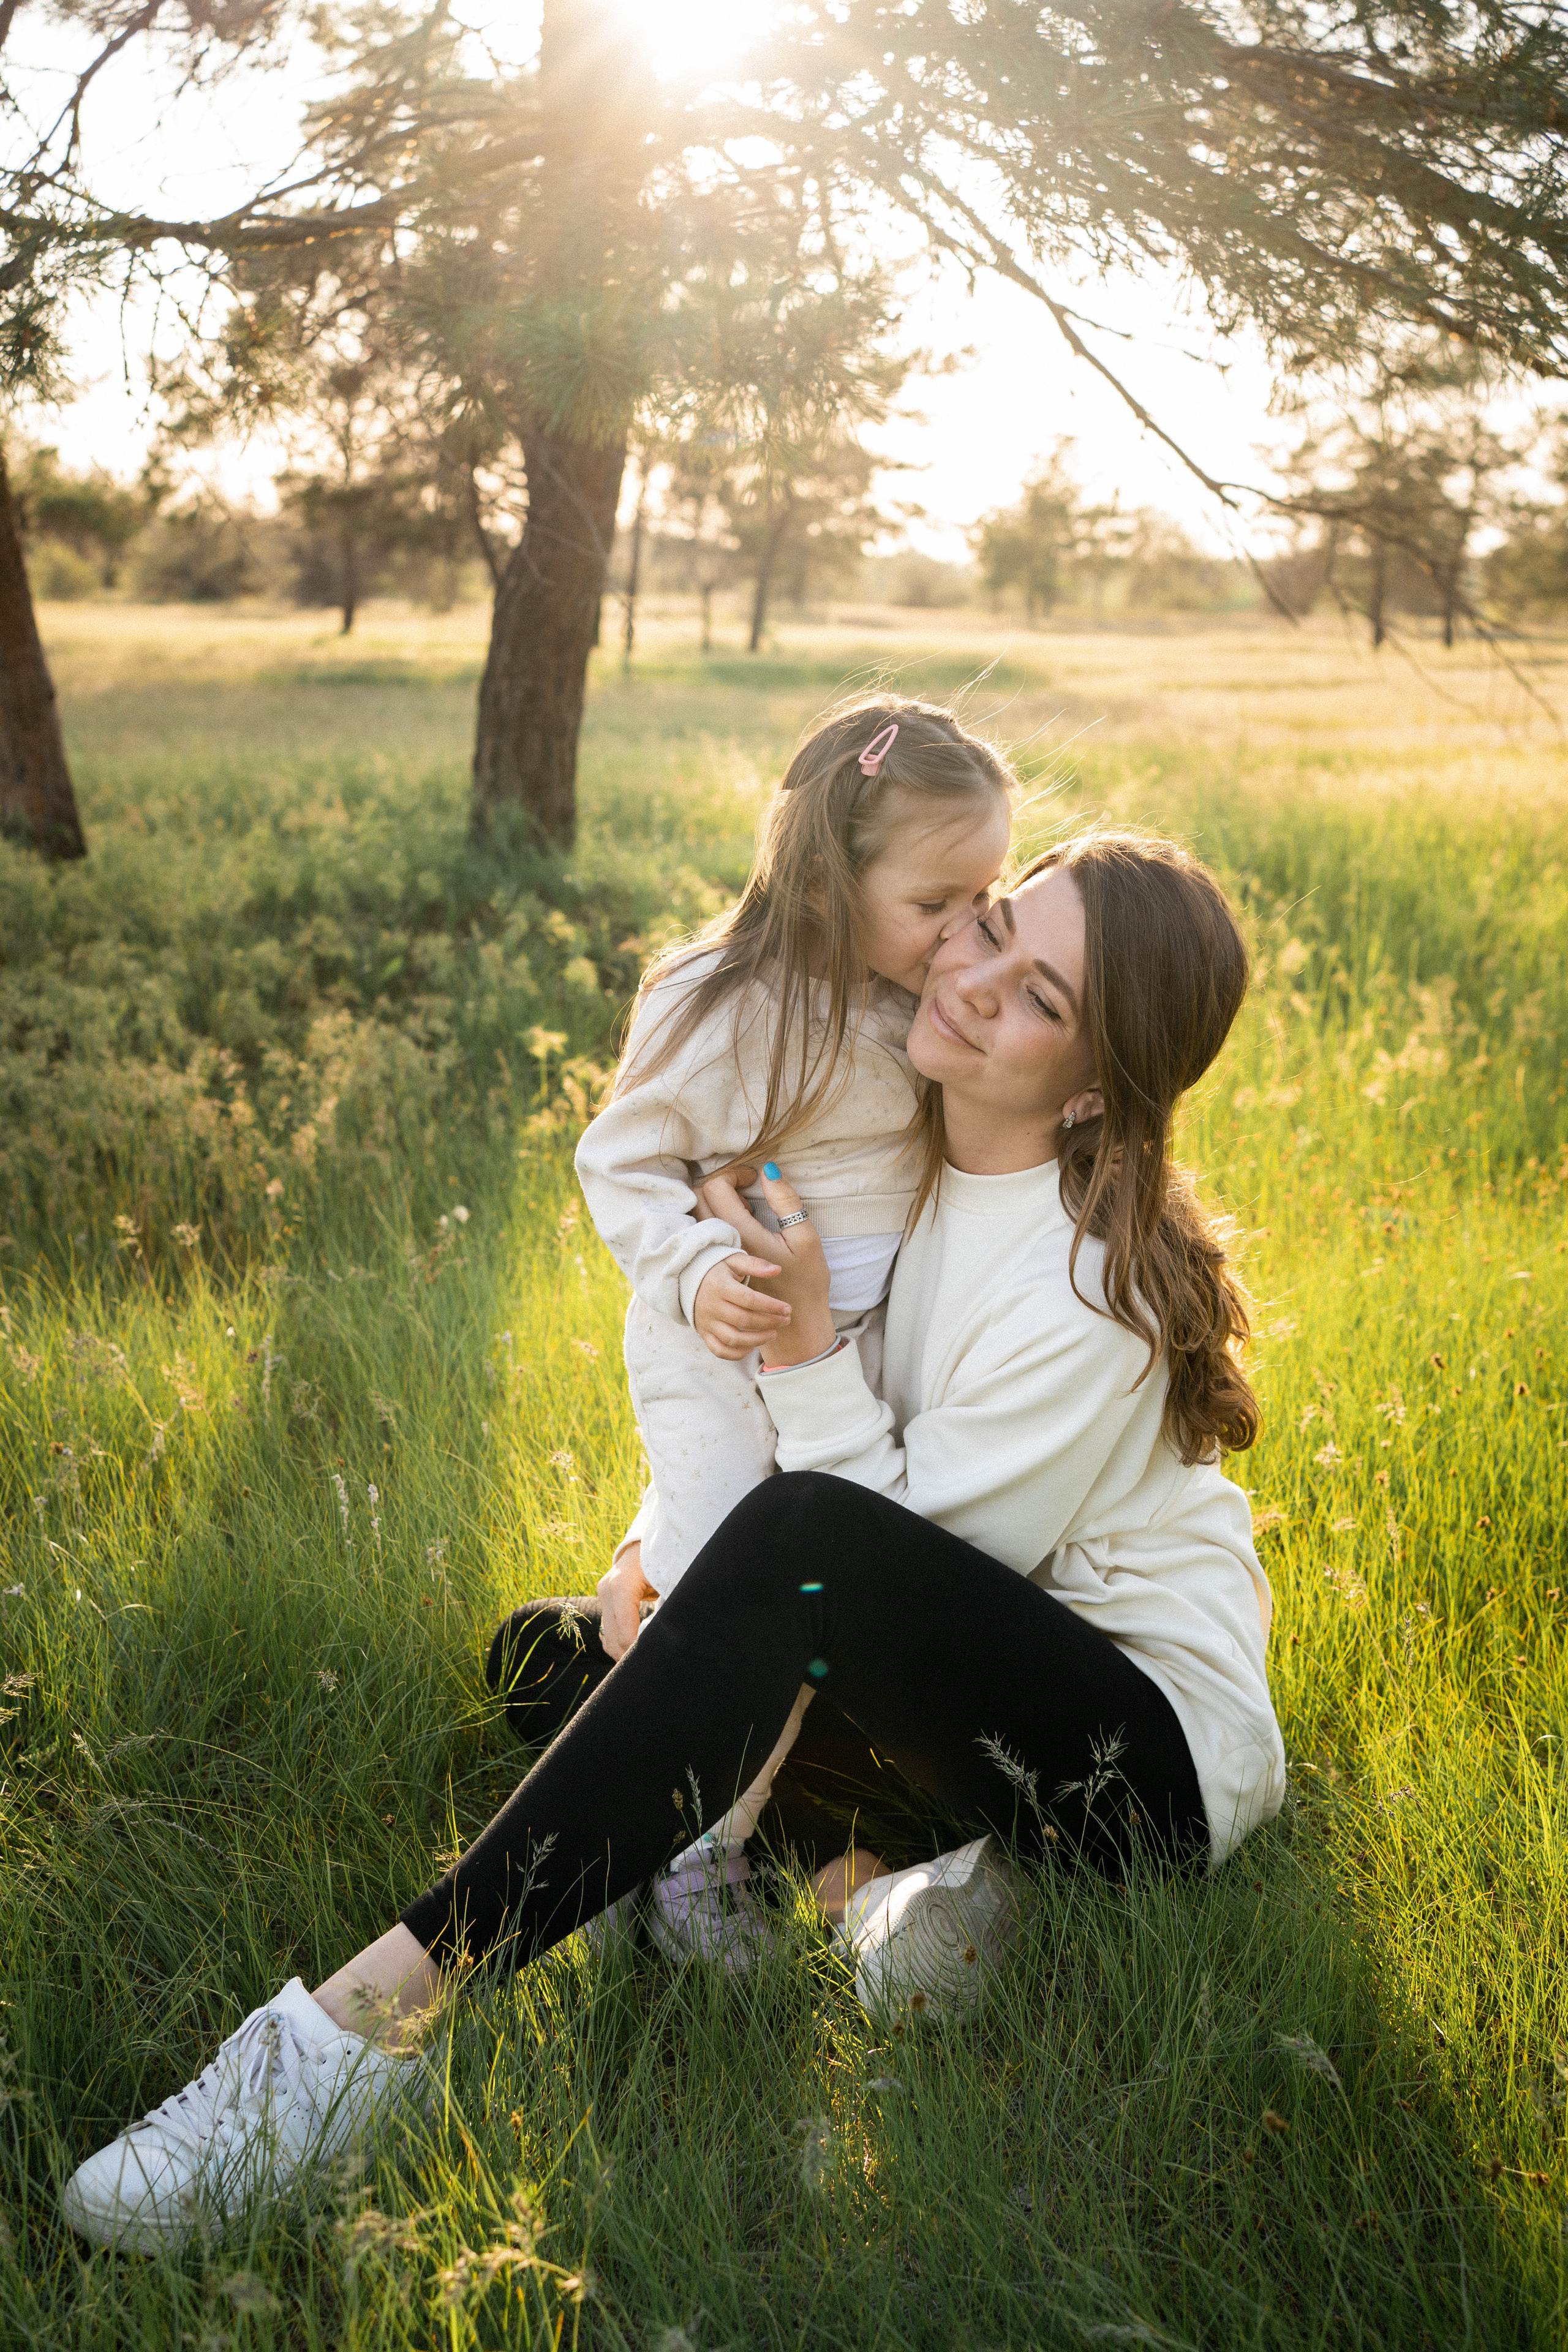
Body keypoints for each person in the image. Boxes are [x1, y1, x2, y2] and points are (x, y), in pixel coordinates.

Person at [63, 826, 1286, 2255]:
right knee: (555, 1656)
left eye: (1038, 997)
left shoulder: (1082, 1293)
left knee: (764, 1588)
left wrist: (804, 1342)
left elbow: (866, 1559)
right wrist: (655, 1551)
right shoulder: (903, 1144)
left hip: (1134, 1765)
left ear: (1087, 1093)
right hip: (942, 1707)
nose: (971, 978)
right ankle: (873, 1893)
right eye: (996, 926)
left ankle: (342, 2044)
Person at [574, 698, 1011, 1930]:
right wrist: (692, 1271)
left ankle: (688, 1837)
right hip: (721, 1338)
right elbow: (622, 1160)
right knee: (722, 1590)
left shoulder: (918, 1000)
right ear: (824, 879)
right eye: (935, 902)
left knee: (803, 1607)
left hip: (846, 1354)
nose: (964, 930)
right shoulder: (715, 999)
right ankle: (657, 1853)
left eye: (986, 896)